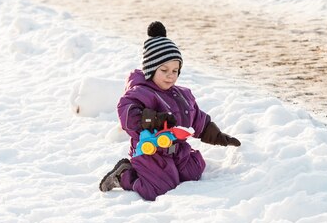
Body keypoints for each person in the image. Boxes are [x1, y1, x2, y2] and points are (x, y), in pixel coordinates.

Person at [99, 21, 240, 201]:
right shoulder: (142, 92)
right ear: (150, 69)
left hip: (176, 148)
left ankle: (171, 169)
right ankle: (125, 175)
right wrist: (151, 119)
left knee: (194, 171)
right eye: (164, 70)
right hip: (150, 151)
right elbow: (127, 115)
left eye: (175, 70)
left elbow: (195, 117)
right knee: (159, 188)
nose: (170, 75)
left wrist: (217, 135)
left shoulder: (182, 94)